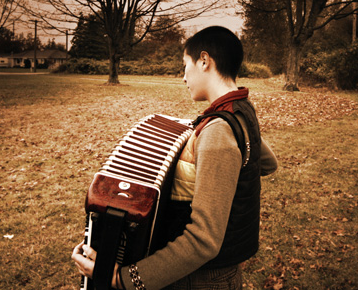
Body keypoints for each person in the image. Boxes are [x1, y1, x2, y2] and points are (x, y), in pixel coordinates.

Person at [72, 25, 278, 289]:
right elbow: (268, 162)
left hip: (202, 279)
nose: (183, 77)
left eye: (185, 66)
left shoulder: (217, 133)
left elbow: (203, 241)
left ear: (204, 61)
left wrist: (120, 279)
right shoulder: (241, 110)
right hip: (219, 273)